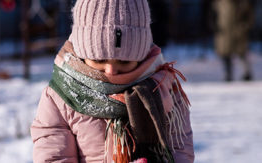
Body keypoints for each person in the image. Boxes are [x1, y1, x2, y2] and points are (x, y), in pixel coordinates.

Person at [30, 0, 194, 163]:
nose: (111, 71)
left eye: (124, 62)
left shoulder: (163, 89)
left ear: (142, 56)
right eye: (99, 60)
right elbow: (53, 158)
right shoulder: (60, 97)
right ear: (81, 53)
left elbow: (180, 153)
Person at [213, 0, 255, 81]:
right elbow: (212, 15)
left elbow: (249, 17)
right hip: (224, 32)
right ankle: (228, 75)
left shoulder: (243, 3)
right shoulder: (220, 2)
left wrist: (244, 27)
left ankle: (247, 73)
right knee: (225, 54)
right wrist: (215, 27)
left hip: (238, 32)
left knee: (242, 53)